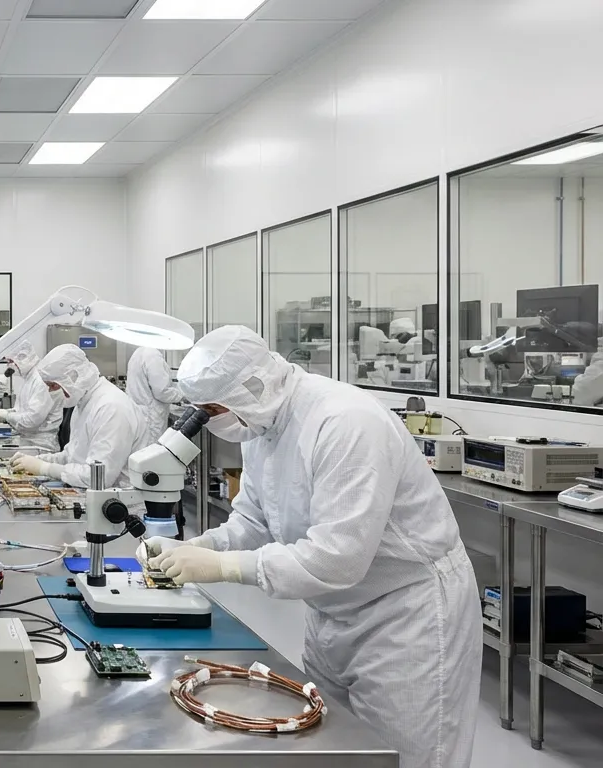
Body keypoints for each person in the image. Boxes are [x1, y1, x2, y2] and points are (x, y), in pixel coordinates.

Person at [147, 325, 480, 768]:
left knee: (405, 757)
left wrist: (222, 566)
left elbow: (336, 558)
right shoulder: (260, 425)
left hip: (405, 615)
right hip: (330, 612)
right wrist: (197, 548)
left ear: (252, 387)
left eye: (213, 410)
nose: (213, 421)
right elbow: (254, 520)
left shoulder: (344, 422)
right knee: (335, 749)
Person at [11, 344, 137, 487]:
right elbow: (72, 456)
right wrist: (37, 460)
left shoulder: (111, 407)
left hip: (123, 502)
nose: (51, 391)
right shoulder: (83, 403)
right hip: (95, 495)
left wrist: (44, 468)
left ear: (73, 376)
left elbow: (99, 477)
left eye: (53, 385)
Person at [0, 340, 62, 452]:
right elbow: (22, 411)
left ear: (23, 357)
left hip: (41, 447)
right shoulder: (29, 378)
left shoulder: (41, 380)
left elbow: (31, 421)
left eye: (10, 361)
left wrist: (6, 416)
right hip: (28, 442)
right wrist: (4, 413)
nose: (8, 365)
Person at [125, 344, 182, 450]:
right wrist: (182, 396)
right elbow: (162, 391)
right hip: (151, 418)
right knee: (151, 454)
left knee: (140, 455)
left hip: (140, 414)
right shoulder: (153, 356)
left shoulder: (138, 353)